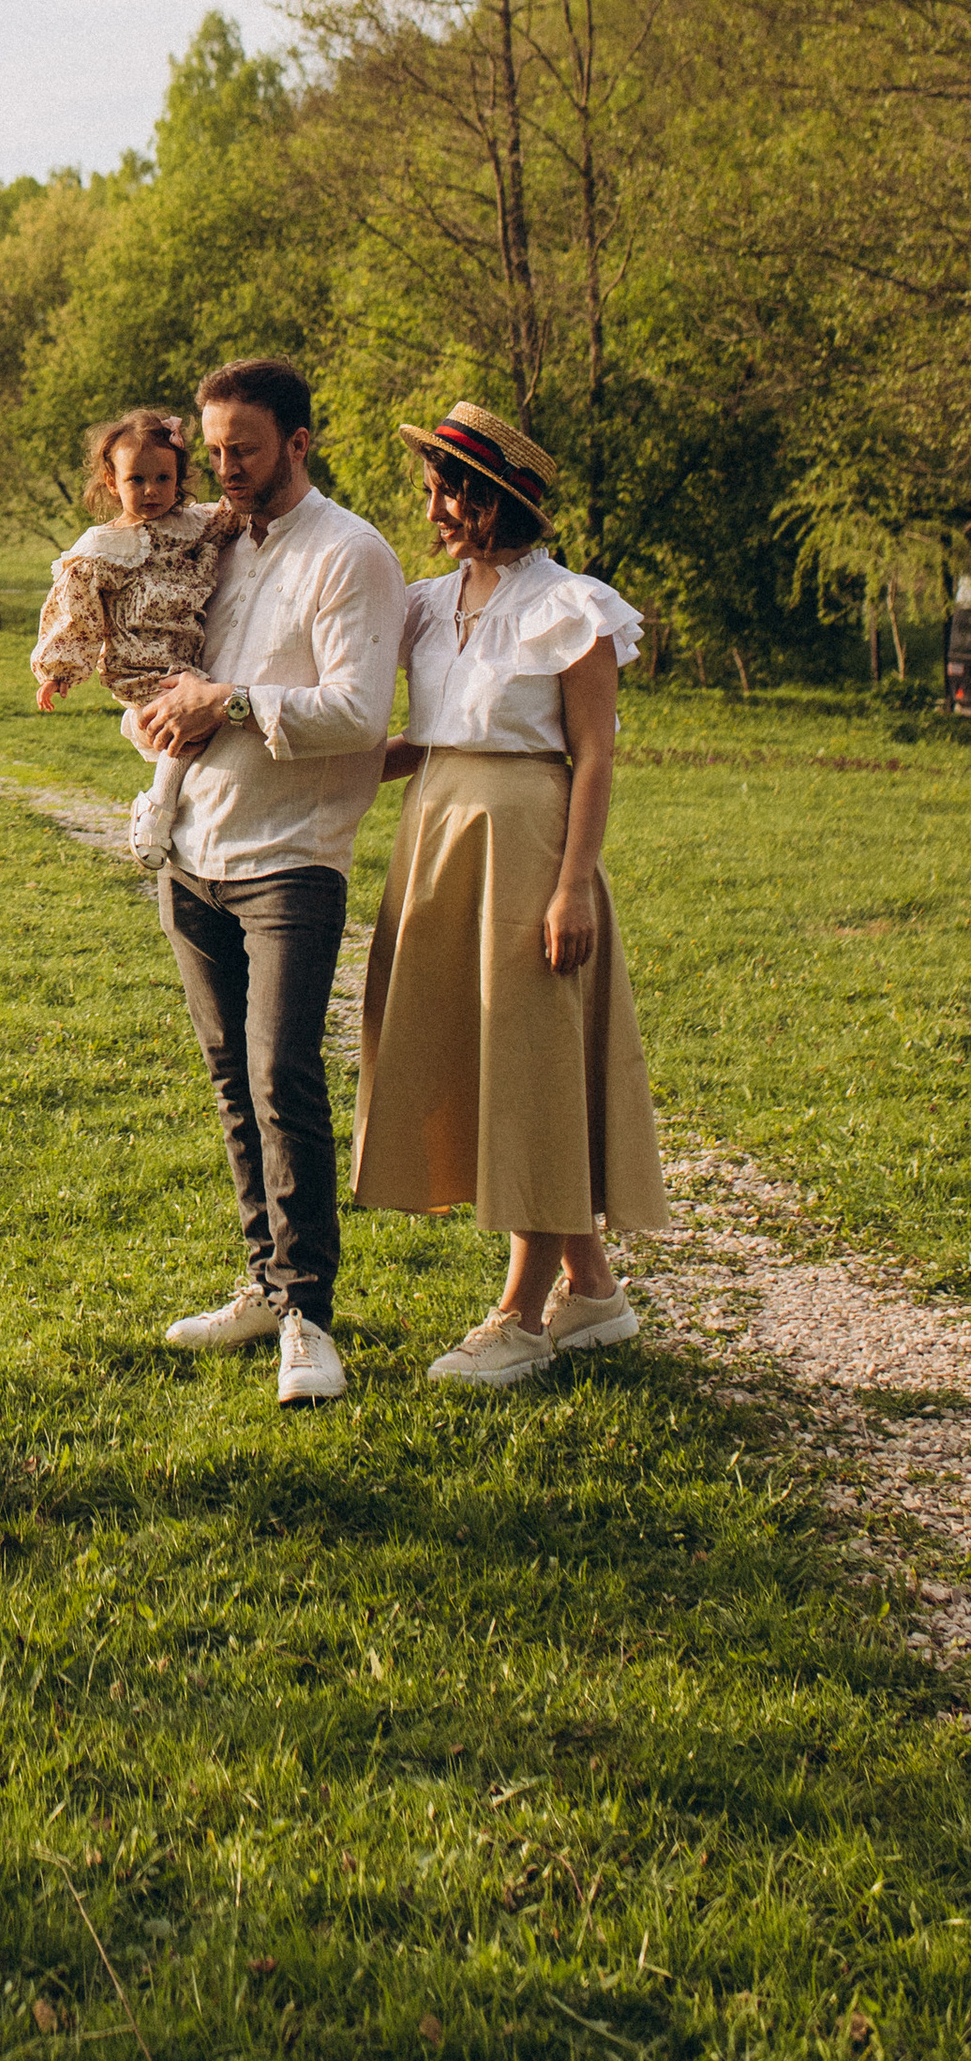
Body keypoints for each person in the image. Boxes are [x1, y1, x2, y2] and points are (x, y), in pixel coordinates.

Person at [352, 402, 669, 1389]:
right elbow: (433, 735)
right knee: (486, 1061)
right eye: (434, 489)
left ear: (498, 501)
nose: (435, 507)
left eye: (452, 491)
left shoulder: (571, 607)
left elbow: (597, 757)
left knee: (528, 1069)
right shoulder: (423, 603)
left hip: (527, 845)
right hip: (440, 837)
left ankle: (520, 1317)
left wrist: (572, 888)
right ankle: (593, 1294)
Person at [127, 359, 407, 1409]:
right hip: (190, 851)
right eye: (213, 451)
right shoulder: (210, 544)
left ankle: (309, 1319)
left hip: (290, 858)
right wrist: (155, 713)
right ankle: (260, 1284)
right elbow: (163, 677)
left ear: (300, 439)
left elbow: (356, 713)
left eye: (243, 447)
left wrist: (227, 703)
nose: (224, 468)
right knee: (230, 1087)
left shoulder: (352, 554)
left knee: (284, 1081)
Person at [30, 409, 237, 875]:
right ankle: (156, 806)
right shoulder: (102, 549)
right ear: (111, 481)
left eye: (164, 477)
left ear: (180, 476)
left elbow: (233, 520)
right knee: (191, 726)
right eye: (136, 479)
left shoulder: (192, 526)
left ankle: (143, 737)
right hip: (138, 661)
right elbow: (76, 613)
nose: (151, 490)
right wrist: (58, 671)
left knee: (198, 717)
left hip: (184, 651)